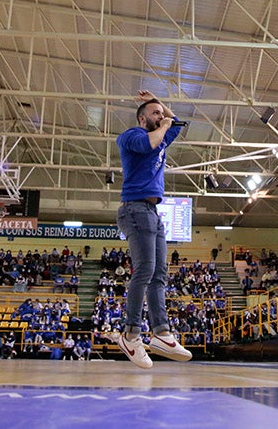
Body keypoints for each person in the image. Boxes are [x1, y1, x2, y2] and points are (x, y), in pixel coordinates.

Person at [114, 90, 193, 368]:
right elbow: (151, 143)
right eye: (155, 113)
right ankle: (131, 334)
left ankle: (161, 333)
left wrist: (161, 102)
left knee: (159, 274)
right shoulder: (132, 136)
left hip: (151, 211)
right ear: (142, 117)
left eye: (161, 112)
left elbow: (180, 123)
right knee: (145, 269)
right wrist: (164, 124)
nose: (161, 116)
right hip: (134, 209)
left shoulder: (160, 135)